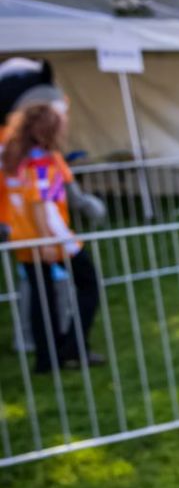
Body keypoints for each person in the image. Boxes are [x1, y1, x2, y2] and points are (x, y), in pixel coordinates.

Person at [2, 100, 102, 373]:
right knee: (89, 283)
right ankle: (72, 347)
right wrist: (51, 240)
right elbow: (40, 202)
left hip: (23, 237)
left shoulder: (15, 156)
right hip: (48, 236)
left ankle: (48, 357)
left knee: (41, 297)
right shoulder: (40, 159)